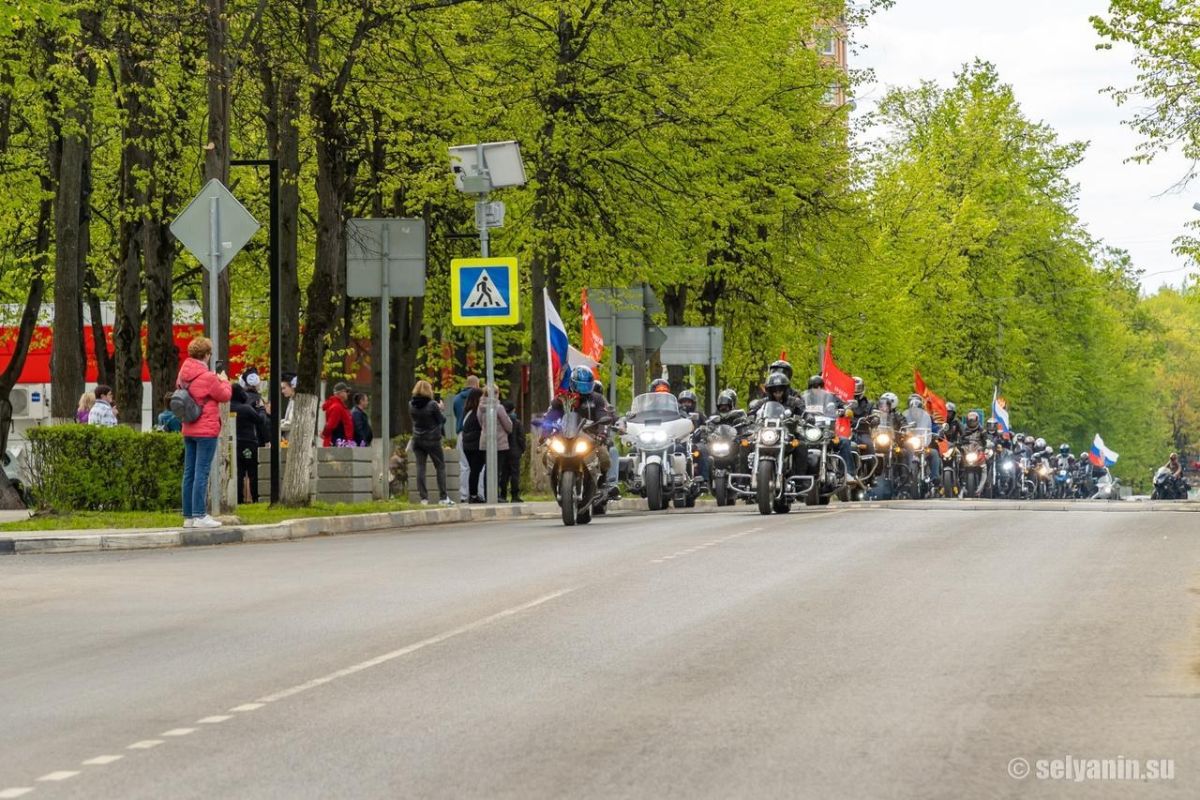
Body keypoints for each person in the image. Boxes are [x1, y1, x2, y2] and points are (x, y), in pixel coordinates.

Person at [177, 337, 232, 528]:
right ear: (207, 355)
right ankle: (200, 515)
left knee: (189, 472)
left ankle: (189, 517)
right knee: (202, 472)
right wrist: (224, 381)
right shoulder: (208, 377)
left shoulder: (183, 375)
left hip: (189, 427)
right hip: (206, 429)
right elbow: (224, 396)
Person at [409, 380, 453, 506]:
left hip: (417, 439)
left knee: (420, 467)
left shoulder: (411, 404)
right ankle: (443, 497)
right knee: (440, 466)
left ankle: (423, 498)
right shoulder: (433, 405)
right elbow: (442, 420)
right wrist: (441, 409)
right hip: (432, 439)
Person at [231, 383, 268, 504]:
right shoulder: (245, 409)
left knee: (238, 473)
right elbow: (260, 420)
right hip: (248, 443)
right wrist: (261, 409)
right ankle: (256, 499)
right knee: (252, 472)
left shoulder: (226, 407)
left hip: (234, 444)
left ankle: (238, 500)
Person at [480, 387, 513, 499]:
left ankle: (486, 495)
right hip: (499, 442)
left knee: (487, 469)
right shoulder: (499, 408)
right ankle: (495, 495)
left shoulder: (480, 408)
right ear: (496, 394)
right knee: (497, 470)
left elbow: (480, 422)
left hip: (485, 442)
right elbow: (508, 426)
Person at [454, 375, 481, 502]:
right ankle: (478, 493)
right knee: (478, 466)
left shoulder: (456, 399)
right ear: (476, 385)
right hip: (476, 434)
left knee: (464, 465)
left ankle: (463, 495)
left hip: (461, 432)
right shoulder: (479, 396)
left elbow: (456, 414)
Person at [459, 388, 486, 502]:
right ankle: (474, 495)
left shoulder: (466, 411)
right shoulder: (477, 412)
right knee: (476, 471)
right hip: (476, 445)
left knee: (472, 470)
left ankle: (472, 494)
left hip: (466, 444)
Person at [502, 400, 525, 503]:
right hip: (515, 452)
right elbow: (521, 438)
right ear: (513, 410)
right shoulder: (517, 422)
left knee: (504, 474)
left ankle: (502, 495)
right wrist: (522, 449)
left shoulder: (501, 420)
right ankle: (515, 495)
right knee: (515, 474)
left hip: (503, 450)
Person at [321, 382, 354, 447]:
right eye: (346, 391)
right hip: (337, 444)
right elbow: (330, 425)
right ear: (340, 393)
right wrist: (324, 433)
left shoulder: (339, 406)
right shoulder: (337, 407)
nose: (348, 393)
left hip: (340, 443)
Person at [279, 373, 296, 442]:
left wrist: (275, 427)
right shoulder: (292, 400)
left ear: (292, 386)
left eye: (284, 388)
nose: (282, 391)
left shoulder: (296, 401)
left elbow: (291, 424)